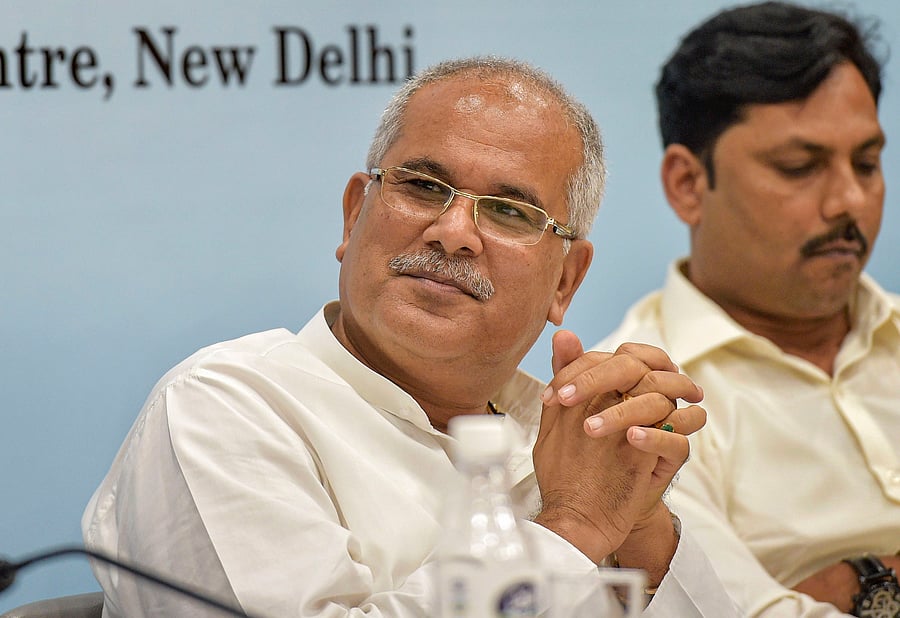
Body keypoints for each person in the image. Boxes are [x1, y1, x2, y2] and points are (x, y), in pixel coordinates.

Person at [82, 56, 739, 617]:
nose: (453, 232)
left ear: (565, 279)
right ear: (353, 214)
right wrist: (573, 529)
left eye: (509, 211)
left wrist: (642, 531)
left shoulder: (576, 441)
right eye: (424, 187)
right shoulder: (228, 408)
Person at [592, 2, 899, 616]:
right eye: (799, 167)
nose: (849, 200)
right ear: (687, 184)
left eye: (867, 163)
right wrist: (879, 587)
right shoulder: (636, 403)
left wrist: (847, 586)